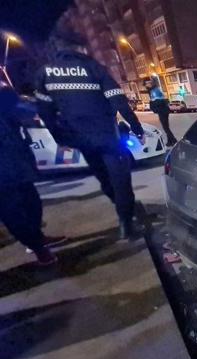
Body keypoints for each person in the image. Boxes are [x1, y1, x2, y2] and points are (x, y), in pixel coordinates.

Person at [34, 28, 145, 240]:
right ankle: (126, 224)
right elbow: (119, 101)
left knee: (104, 178)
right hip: (108, 137)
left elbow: (45, 112)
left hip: (81, 139)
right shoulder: (94, 68)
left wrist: (60, 138)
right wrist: (137, 129)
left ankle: (123, 212)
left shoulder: (45, 73)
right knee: (121, 180)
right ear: (80, 47)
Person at [0, 83, 66, 266]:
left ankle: (37, 238)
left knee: (32, 203)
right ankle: (38, 249)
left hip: (15, 160)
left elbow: (24, 109)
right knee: (13, 212)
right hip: (4, 172)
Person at [145, 77, 177, 146]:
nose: (147, 85)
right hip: (163, 110)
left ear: (151, 83)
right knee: (166, 127)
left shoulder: (154, 91)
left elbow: (157, 102)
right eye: (146, 84)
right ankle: (170, 141)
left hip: (162, 111)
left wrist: (153, 107)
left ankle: (174, 140)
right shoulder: (154, 90)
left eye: (148, 83)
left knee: (165, 127)